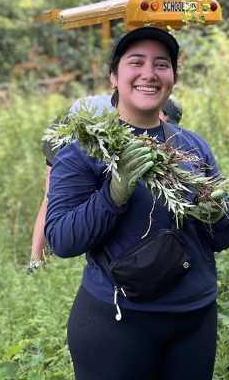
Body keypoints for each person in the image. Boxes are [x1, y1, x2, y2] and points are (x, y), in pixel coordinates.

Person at [44, 26, 229, 380]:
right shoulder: (88, 150)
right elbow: (62, 239)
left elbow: (224, 238)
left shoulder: (191, 146)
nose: (149, 73)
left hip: (193, 320)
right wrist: (113, 193)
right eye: (136, 62)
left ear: (172, 78)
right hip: (118, 324)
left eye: (161, 64)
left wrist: (215, 212)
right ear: (114, 76)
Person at [29, 95, 183, 272]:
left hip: (90, 134)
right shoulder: (124, 117)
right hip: (67, 129)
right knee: (49, 198)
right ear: (160, 111)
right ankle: (35, 263)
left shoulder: (141, 115)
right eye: (166, 120)